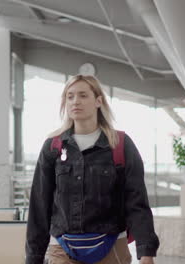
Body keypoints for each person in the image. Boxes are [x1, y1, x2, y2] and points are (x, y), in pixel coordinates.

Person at [25, 74, 159, 264]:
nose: (75, 101)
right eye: (70, 96)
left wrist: (146, 251)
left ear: (98, 101)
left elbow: (136, 201)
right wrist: (33, 257)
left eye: (83, 95)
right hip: (62, 250)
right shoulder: (53, 146)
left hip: (112, 248)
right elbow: (39, 206)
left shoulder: (120, 144)